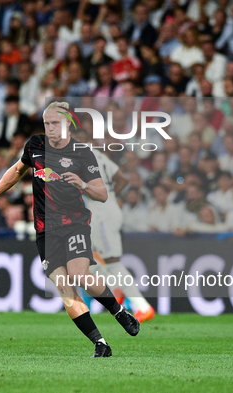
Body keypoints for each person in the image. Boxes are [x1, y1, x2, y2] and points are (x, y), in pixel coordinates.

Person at [0, 102, 140, 357]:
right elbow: (17, 170)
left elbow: (102, 194)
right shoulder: (35, 145)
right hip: (45, 231)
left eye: (55, 123)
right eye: (47, 123)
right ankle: (100, 343)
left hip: (74, 224)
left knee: (80, 275)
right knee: (64, 287)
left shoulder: (82, 153)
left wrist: (82, 183)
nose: (50, 128)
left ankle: (118, 311)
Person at [72, 129, 155, 323]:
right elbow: (123, 179)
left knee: (112, 262)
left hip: (101, 215)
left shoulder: (80, 159)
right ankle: (115, 291)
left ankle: (142, 306)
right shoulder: (98, 155)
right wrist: (111, 197)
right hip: (104, 211)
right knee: (85, 258)